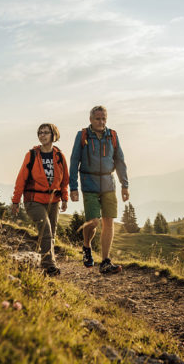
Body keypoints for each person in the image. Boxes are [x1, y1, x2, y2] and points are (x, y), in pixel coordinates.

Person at [70, 105, 129, 274]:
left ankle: (105, 261)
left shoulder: (113, 136)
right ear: (91, 119)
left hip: (108, 184)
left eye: (104, 119)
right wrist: (73, 187)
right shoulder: (82, 136)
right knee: (94, 222)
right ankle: (86, 246)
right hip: (89, 183)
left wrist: (124, 185)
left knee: (108, 221)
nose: (101, 122)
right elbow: (74, 161)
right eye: (98, 119)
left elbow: (119, 161)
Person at [12, 123, 69, 276]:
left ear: (53, 135)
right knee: (46, 230)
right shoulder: (31, 155)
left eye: (46, 132)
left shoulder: (59, 156)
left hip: (54, 200)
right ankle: (50, 265)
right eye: (40, 132)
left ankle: (45, 261)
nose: (42, 135)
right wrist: (15, 201)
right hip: (34, 199)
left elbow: (64, 180)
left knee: (52, 232)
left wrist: (65, 198)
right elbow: (21, 179)